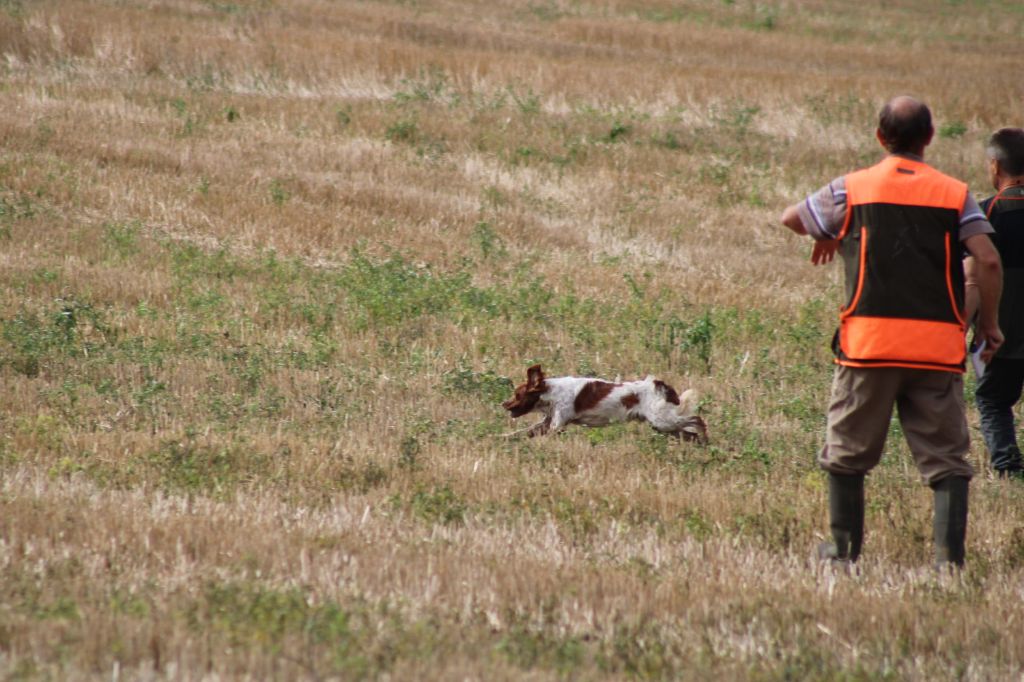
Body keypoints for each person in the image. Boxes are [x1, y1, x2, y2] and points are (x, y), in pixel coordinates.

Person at [780, 95, 1004, 569]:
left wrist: (829, 232)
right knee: (946, 460)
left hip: (869, 346)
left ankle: (842, 552)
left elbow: (793, 218)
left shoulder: (854, 188)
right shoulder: (954, 193)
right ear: (929, 138)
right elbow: (986, 258)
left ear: (881, 138)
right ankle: (949, 561)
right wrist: (989, 325)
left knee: (847, 453)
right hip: (935, 351)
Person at [966, 128, 1024, 478]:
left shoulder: (984, 215)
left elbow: (972, 278)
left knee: (993, 400)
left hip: (1001, 337)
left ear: (995, 166)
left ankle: (1008, 467)